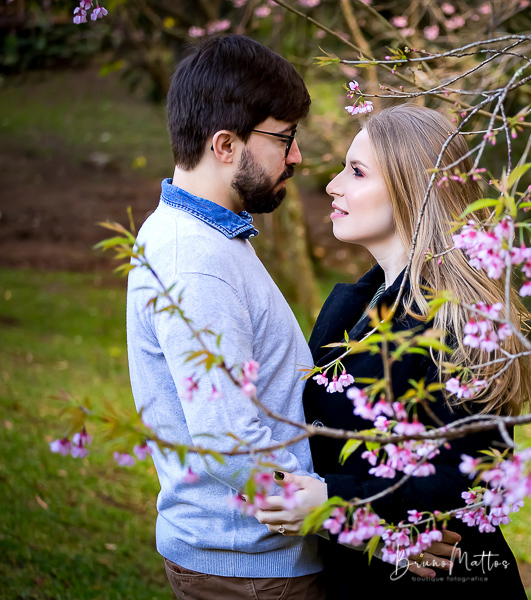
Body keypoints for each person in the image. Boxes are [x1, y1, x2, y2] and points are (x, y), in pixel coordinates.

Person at [256, 105, 531, 598]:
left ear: (412, 190)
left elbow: (480, 477)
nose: (333, 186)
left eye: (357, 172)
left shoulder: (460, 320)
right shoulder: (355, 305)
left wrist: (335, 503)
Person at [125, 34, 328, 599]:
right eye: (283, 138)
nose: (296, 156)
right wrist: (349, 518)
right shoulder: (196, 260)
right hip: (251, 569)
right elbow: (228, 440)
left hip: (250, 561)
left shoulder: (204, 237)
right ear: (224, 144)